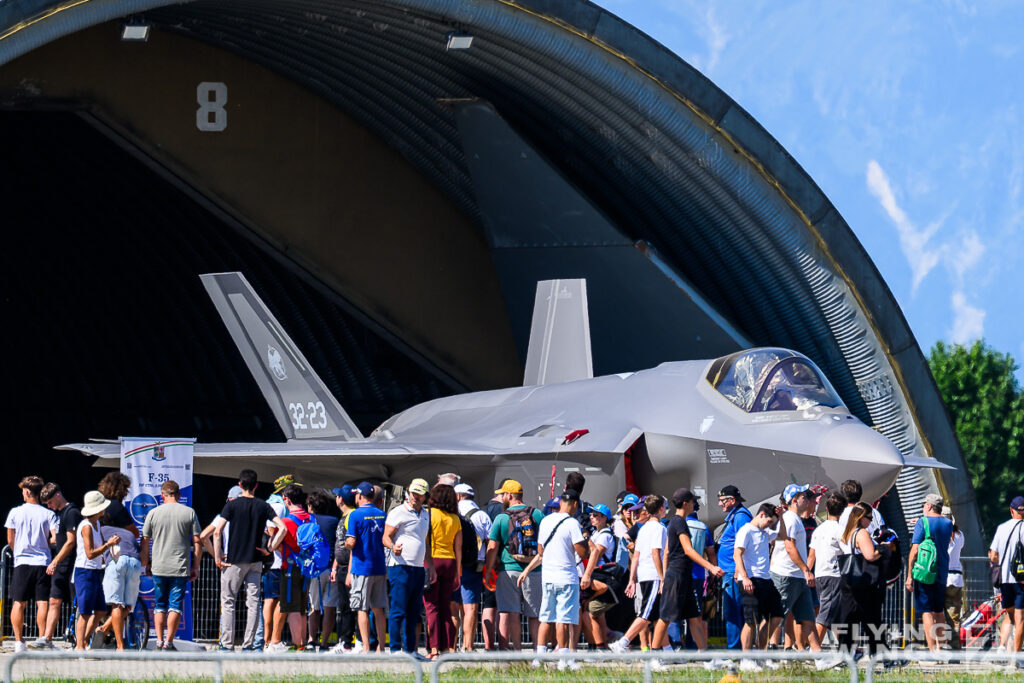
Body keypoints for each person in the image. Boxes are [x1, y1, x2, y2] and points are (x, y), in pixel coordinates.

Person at [651, 489, 725, 671]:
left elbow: (667, 552)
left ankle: (707, 659)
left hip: (682, 577)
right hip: (677, 578)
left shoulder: (674, 523)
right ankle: (652, 658)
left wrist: (663, 578)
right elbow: (688, 550)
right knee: (665, 617)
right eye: (693, 501)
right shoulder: (679, 523)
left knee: (695, 618)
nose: (695, 504)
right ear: (685, 503)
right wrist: (711, 567)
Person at [212, 470, 286, 652]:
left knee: (228, 602)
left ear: (239, 485)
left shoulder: (232, 506)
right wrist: (270, 549)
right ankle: (248, 645)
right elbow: (282, 527)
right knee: (253, 604)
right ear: (256, 485)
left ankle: (227, 644)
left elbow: (216, 531)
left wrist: (217, 556)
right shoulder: (263, 505)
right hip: (255, 561)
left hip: (234, 560)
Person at [518, 489, 588, 671]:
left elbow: (540, 550)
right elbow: (582, 551)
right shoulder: (572, 523)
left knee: (545, 618)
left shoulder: (547, 520)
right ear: (574, 504)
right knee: (563, 620)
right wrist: (585, 543)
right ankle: (564, 661)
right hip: (566, 577)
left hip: (547, 576)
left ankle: (538, 658)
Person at [484, 479, 545, 650]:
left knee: (512, 612)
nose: (502, 497)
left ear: (509, 495)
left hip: (508, 571)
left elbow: (492, 546)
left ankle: (517, 652)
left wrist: (488, 571)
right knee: (535, 615)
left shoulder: (501, 518)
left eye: (503, 494)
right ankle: (537, 652)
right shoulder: (538, 514)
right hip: (534, 569)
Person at [142, 480, 201, 651]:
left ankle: (159, 641)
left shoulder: (153, 513)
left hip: (159, 567)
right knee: (175, 606)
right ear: (179, 495)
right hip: (180, 567)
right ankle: (169, 642)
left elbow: (144, 541)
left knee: (159, 605)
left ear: (162, 496)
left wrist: (146, 563)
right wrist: (195, 566)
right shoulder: (189, 513)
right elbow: (197, 542)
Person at [768, 484, 826, 655]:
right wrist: (806, 570)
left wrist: (803, 572)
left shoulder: (795, 519)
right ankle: (761, 653)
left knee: (807, 618)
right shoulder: (790, 519)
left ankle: (819, 657)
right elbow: (789, 547)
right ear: (794, 500)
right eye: (803, 497)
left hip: (797, 576)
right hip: (786, 576)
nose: (807, 500)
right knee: (777, 617)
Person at [5, 476, 60, 653]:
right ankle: (42, 639)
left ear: (28, 492)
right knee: (42, 603)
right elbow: (55, 538)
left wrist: (18, 551)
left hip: (22, 561)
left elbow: (10, 539)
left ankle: (19, 642)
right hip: (42, 561)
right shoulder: (49, 514)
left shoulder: (15, 512)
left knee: (18, 602)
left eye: (23, 491)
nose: (22, 493)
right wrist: (44, 542)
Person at [382, 478, 434, 658]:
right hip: (400, 567)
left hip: (418, 568)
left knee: (414, 611)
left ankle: (411, 650)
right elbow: (385, 537)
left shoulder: (426, 514)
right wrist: (392, 547)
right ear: (408, 493)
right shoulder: (398, 512)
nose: (415, 497)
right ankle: (396, 650)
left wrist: (431, 566)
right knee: (398, 609)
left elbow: (424, 541)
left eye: (419, 495)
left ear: (425, 496)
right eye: (413, 493)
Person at [610, 495, 668, 653]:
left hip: (643, 575)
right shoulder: (660, 528)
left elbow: (636, 555)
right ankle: (622, 643)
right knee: (645, 614)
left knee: (658, 616)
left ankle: (668, 650)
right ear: (661, 509)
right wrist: (662, 578)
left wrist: (632, 579)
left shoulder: (643, 529)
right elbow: (656, 553)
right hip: (653, 575)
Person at [733, 502, 787, 672]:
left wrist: (782, 516)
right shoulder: (746, 530)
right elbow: (737, 554)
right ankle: (746, 659)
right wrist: (745, 577)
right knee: (751, 621)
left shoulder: (764, 532)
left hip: (766, 579)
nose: (770, 525)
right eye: (770, 522)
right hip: (751, 580)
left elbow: (783, 535)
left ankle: (759, 654)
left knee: (777, 615)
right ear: (762, 515)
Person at [905, 493, 954, 652]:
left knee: (926, 611)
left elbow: (914, 551)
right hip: (941, 571)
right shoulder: (948, 523)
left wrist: (909, 576)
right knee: (938, 610)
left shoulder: (922, 522)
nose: (922, 507)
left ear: (929, 506)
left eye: (924, 505)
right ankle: (942, 647)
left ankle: (933, 651)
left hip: (924, 572)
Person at [838, 501, 885, 659]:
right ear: (861, 517)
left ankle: (845, 654)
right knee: (872, 618)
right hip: (863, 581)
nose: (871, 521)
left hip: (849, 580)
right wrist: (883, 550)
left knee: (850, 619)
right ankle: (881, 655)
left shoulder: (848, 532)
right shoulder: (862, 532)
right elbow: (870, 555)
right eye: (869, 518)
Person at [267, 483, 311, 651]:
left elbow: (272, 546)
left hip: (290, 568)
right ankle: (303, 642)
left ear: (286, 499)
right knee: (302, 608)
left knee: (291, 607)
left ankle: (298, 645)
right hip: (307, 568)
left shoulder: (287, 521)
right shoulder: (310, 518)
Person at [73, 491, 119, 651]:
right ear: (98, 509)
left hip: (94, 571)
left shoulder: (97, 524)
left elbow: (98, 549)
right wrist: (108, 545)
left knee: (101, 609)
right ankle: (79, 647)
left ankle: (84, 640)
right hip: (84, 571)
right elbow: (90, 553)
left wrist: (109, 548)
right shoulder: (86, 527)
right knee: (85, 612)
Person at [345, 481, 387, 653]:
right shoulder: (383, 514)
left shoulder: (355, 515)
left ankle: (367, 647)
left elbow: (352, 541)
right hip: (379, 567)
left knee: (361, 608)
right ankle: (382, 648)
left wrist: (347, 544)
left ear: (360, 496)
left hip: (362, 568)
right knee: (379, 609)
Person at [38, 482, 81, 649]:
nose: (49, 507)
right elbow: (60, 539)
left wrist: (54, 561)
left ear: (57, 495)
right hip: (61, 566)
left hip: (72, 564)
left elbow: (71, 542)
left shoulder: (72, 512)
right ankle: (47, 638)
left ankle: (80, 640)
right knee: (54, 600)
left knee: (76, 604)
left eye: (50, 502)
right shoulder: (62, 513)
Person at [100, 501, 147, 650]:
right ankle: (107, 626)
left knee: (116, 604)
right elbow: (140, 555)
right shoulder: (127, 532)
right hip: (135, 562)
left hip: (117, 561)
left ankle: (120, 646)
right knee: (129, 605)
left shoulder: (99, 530)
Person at [424, 483, 462, 657]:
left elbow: (424, 540)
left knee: (431, 606)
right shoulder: (455, 518)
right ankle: (447, 646)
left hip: (432, 560)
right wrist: (458, 572)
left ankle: (434, 648)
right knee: (445, 607)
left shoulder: (429, 514)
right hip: (450, 562)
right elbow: (458, 547)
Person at [455, 483, 493, 651]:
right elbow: (490, 543)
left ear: (457, 496)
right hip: (474, 564)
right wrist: (489, 566)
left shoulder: (452, 514)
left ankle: (450, 646)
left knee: (453, 605)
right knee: (471, 606)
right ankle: (468, 646)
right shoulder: (482, 515)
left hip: (453, 563)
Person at [579, 504, 623, 648]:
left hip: (604, 578)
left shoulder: (604, 535)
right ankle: (610, 637)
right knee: (595, 614)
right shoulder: (597, 534)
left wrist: (586, 536)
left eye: (596, 515)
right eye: (591, 515)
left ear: (605, 518)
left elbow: (595, 554)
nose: (592, 517)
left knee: (590, 613)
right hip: (598, 578)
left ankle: (600, 646)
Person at [716, 484, 752, 650]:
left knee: (733, 613)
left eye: (722, 500)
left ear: (732, 500)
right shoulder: (735, 515)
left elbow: (743, 545)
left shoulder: (740, 517)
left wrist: (739, 572)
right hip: (730, 572)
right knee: (733, 613)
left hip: (733, 572)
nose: (720, 504)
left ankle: (735, 650)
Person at [808, 492, 848, 643]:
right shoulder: (841, 530)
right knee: (825, 614)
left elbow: (812, 554)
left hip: (819, 574)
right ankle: (814, 650)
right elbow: (847, 551)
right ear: (843, 510)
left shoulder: (819, 529)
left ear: (826, 508)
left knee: (835, 614)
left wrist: (806, 573)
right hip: (834, 574)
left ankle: (845, 647)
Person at [988, 494, 1024, 665]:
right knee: (1020, 619)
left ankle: (1002, 647)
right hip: (1021, 581)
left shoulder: (1002, 528)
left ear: (1011, 510)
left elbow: (993, 555)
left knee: (1009, 616)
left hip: (1005, 580)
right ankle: (1016, 659)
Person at [306, 489, 340, 651]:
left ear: (311, 506)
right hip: (332, 567)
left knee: (314, 606)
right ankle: (325, 642)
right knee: (330, 607)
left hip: (314, 570)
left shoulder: (308, 521)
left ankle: (312, 640)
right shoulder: (334, 521)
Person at [262, 475, 293, 651]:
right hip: (277, 562)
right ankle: (272, 639)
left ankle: (268, 640)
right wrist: (281, 549)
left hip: (272, 561)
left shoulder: (270, 503)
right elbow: (271, 529)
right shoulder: (279, 506)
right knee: (278, 600)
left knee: (270, 600)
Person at [329, 485, 357, 653]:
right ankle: (344, 640)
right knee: (343, 605)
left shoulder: (351, 516)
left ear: (340, 499)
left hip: (349, 568)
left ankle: (347, 642)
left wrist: (348, 571)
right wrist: (334, 567)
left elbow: (352, 546)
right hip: (341, 567)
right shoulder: (343, 517)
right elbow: (339, 545)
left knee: (348, 606)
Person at [943, 506, 965, 651]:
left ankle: (938, 648)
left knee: (938, 615)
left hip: (942, 578)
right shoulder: (960, 534)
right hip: (956, 578)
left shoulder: (939, 534)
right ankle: (955, 650)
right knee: (954, 618)